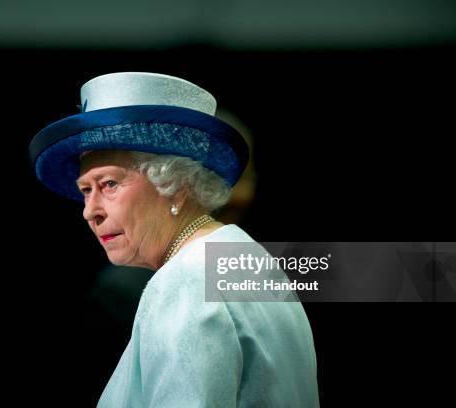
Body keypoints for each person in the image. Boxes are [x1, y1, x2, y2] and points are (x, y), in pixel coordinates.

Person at [29, 72, 319, 407]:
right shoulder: (247, 257)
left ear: (175, 182)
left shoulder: (183, 282)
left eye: (109, 184)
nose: (90, 211)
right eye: (85, 190)